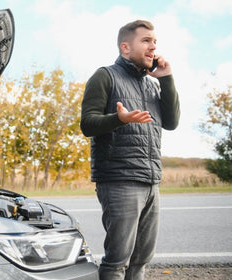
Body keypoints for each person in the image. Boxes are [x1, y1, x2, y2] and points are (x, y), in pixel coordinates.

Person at [80, 20, 180, 280]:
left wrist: (166, 79)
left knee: (141, 261)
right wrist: (119, 119)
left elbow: (171, 122)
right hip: (118, 179)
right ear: (125, 47)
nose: (153, 46)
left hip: (150, 180)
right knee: (117, 261)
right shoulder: (105, 76)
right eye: (146, 41)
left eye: (154, 42)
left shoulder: (151, 84)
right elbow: (87, 124)